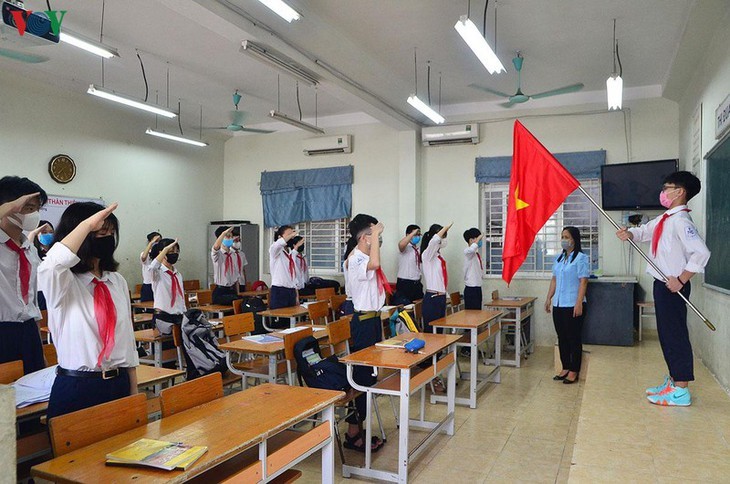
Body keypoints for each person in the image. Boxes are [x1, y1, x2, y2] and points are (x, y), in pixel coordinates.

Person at [616, 171, 710, 406]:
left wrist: (681, 279)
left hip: (673, 287)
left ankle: (681, 390)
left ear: (680, 192)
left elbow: (702, 253)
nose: (663, 191)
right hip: (662, 284)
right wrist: (629, 233)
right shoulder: (666, 218)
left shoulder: (681, 221)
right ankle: (673, 380)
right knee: (666, 335)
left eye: (667, 187)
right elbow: (645, 232)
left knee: (675, 335)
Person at [37, 202, 139, 419]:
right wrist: (86, 225)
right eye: (101, 232)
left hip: (118, 383)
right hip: (78, 386)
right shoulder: (63, 282)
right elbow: (51, 265)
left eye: (111, 232)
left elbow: (127, 341)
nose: (108, 237)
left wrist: (133, 390)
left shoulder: (116, 281)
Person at [345, 213, 387, 452]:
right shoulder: (356, 259)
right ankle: (353, 433)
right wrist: (375, 234)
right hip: (362, 324)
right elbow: (375, 264)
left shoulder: (362, 255)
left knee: (370, 377)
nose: (378, 240)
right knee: (361, 378)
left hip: (372, 321)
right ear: (364, 238)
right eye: (374, 235)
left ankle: (359, 429)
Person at [0, 177, 47, 374]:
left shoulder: (29, 249)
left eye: (37, 208)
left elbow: (32, 302)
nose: (34, 214)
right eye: (28, 207)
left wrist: (39, 346)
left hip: (28, 331)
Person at [544, 226, 589, 385]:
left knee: (573, 338)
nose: (564, 240)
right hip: (559, 304)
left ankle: (574, 370)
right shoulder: (559, 258)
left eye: (567, 237)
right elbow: (554, 280)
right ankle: (565, 366)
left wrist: (578, 303)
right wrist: (549, 298)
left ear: (574, 239)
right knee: (562, 337)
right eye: (562, 237)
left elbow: (583, 281)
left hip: (573, 305)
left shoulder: (581, 258)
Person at [149, 238, 185, 336]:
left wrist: (184, 312)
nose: (175, 254)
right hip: (163, 317)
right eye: (171, 251)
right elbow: (152, 266)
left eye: (177, 251)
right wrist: (165, 250)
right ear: (162, 253)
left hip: (178, 316)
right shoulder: (157, 272)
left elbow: (180, 297)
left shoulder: (177, 274)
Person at [421, 223, 453, 332]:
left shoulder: (439, 257)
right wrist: (445, 228)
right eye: (443, 236)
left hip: (441, 297)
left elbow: (441, 278)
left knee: (439, 333)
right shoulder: (427, 255)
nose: (444, 240)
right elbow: (434, 241)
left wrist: (446, 293)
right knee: (431, 333)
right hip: (432, 297)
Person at [211, 226, 244, 305]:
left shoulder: (234, 255)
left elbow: (235, 277)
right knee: (234, 301)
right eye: (227, 236)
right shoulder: (217, 254)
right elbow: (215, 247)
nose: (230, 239)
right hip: (220, 291)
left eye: (231, 237)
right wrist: (223, 233)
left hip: (231, 290)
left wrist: (238, 292)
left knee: (242, 301)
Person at [268, 225, 300, 309]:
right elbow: (278, 244)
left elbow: (293, 275)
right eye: (289, 234)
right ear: (280, 237)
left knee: (291, 319)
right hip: (279, 290)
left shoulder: (290, 253)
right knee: (280, 319)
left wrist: (296, 294)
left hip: (291, 290)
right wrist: (291, 235)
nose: (292, 236)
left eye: (293, 234)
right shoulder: (275, 250)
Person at [396, 224, 423, 303]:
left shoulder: (417, 249)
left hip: (416, 283)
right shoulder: (405, 247)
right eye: (416, 235)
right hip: (405, 283)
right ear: (408, 235)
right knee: (405, 308)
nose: (418, 237)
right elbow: (401, 244)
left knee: (418, 307)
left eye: (419, 235)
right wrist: (412, 234)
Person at [462, 227, 484, 310]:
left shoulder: (476, 255)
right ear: (471, 240)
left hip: (477, 288)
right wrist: (477, 241)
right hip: (471, 289)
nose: (480, 241)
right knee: (472, 316)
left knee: (478, 315)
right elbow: (471, 250)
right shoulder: (468, 253)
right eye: (478, 239)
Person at [140, 231, 161, 302]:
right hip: (148, 285)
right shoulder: (145, 253)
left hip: (159, 284)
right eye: (156, 241)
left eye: (159, 241)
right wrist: (152, 243)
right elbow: (143, 257)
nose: (157, 243)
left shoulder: (162, 255)